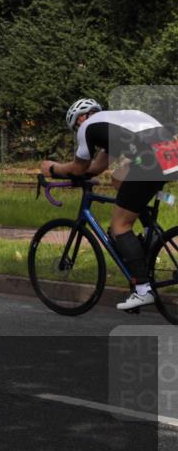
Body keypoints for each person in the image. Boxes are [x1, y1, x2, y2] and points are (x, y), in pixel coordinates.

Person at [41, 98, 178, 310]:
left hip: (150, 159)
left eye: (76, 125)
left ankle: (143, 289)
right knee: (118, 179)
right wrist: (84, 173)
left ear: (82, 118)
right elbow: (96, 167)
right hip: (169, 153)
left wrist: (53, 169)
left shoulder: (87, 127)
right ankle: (150, 234)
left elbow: (79, 168)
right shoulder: (114, 123)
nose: (78, 129)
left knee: (119, 227)